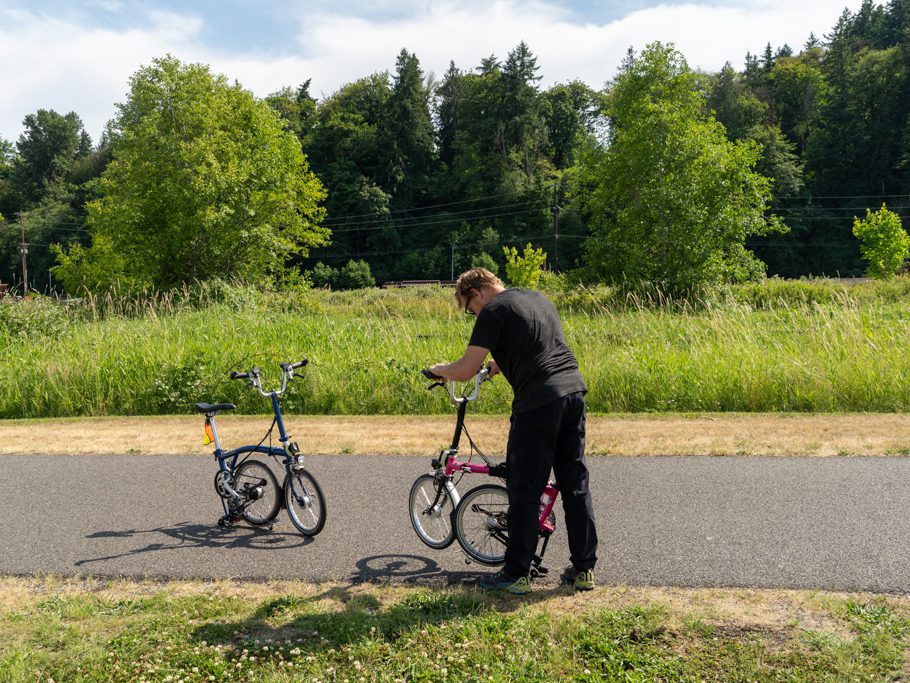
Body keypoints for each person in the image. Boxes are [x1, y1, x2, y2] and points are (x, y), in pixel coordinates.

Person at [428, 268, 598, 594]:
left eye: (469, 308)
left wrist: (439, 371)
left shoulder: (493, 310)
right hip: (573, 393)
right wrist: (498, 365)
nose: (472, 314)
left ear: (476, 292)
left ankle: (516, 573)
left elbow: (463, 370)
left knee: (524, 489)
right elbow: (535, 346)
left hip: (538, 403)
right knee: (575, 485)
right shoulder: (537, 299)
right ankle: (583, 569)